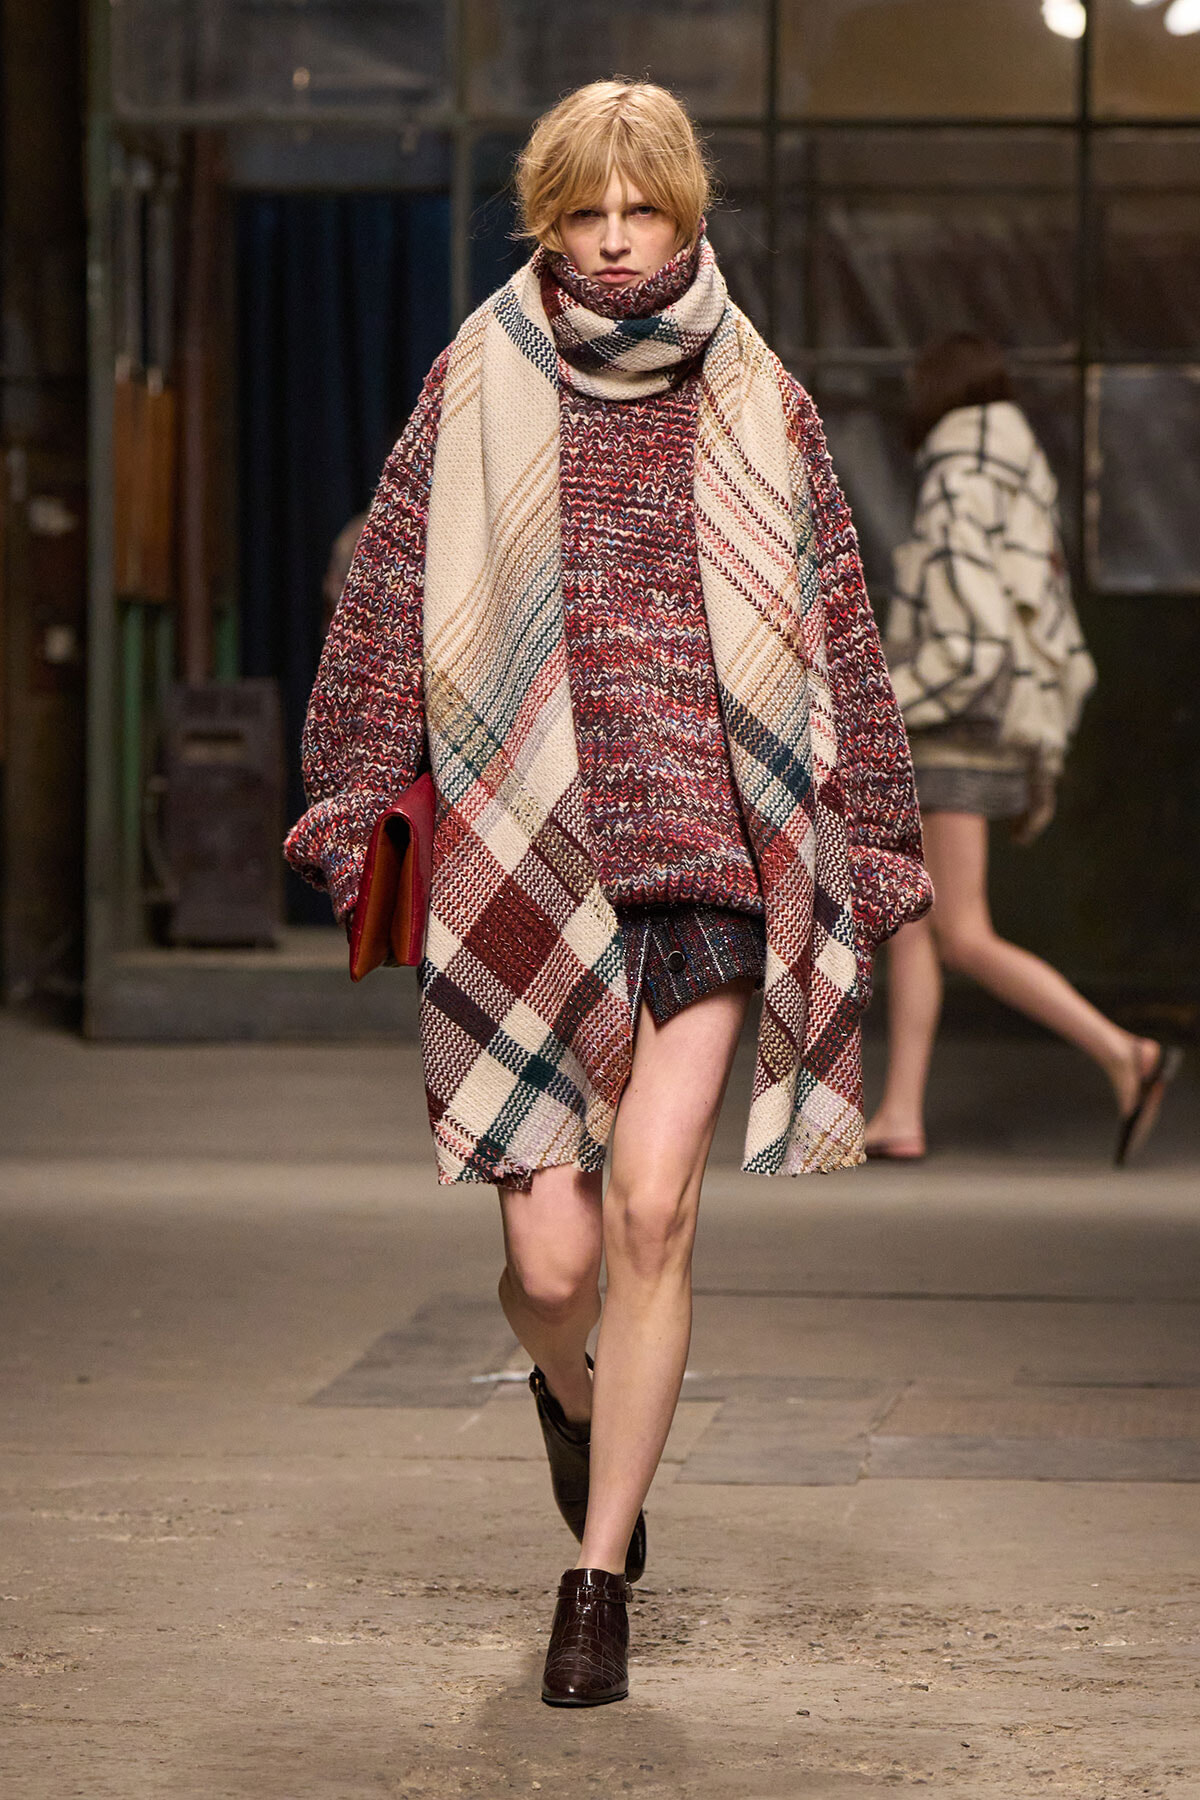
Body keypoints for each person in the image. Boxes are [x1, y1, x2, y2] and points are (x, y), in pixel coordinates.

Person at [285, 80, 930, 1709]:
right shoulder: (477, 377)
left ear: (687, 213)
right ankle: (571, 1399)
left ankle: (596, 1578)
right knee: (557, 1268)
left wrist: (876, 839)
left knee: (652, 1213)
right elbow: (384, 597)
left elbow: (839, 623)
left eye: (644, 210)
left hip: (710, 858)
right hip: (524, 855)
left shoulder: (762, 394)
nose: (618, 240)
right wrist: (351, 800)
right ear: (549, 219)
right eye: (587, 212)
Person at [866, 333, 1181, 1167]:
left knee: (962, 932)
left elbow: (970, 647)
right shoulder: (1016, 475)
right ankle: (899, 1113)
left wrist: (882, 705)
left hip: (957, 728)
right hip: (987, 724)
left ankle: (1126, 1053)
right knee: (915, 920)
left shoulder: (959, 478)